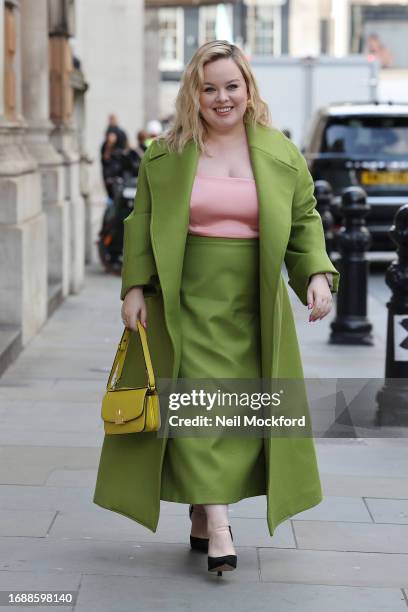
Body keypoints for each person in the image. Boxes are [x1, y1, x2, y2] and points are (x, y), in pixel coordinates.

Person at [93, 40, 340, 577]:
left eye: (232, 86)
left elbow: (303, 220)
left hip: (255, 301)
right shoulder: (165, 153)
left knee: (238, 412)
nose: (222, 97)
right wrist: (134, 287)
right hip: (184, 298)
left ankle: (204, 516)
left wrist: (317, 275)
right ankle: (222, 526)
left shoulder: (279, 151)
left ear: (248, 89)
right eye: (210, 88)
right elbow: (141, 220)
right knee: (200, 404)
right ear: (194, 94)